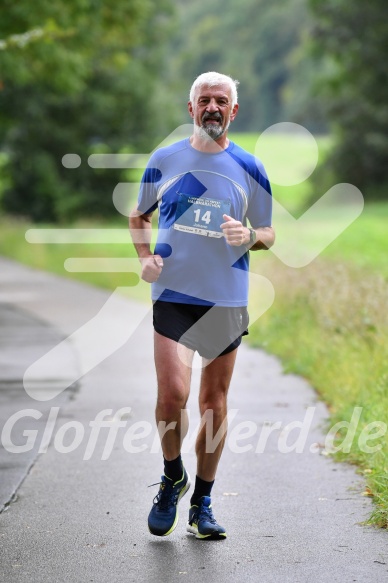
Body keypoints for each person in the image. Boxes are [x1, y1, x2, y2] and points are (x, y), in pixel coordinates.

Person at [129, 71, 275, 540]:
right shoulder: (165, 158)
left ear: (234, 111)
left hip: (226, 300)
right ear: (190, 108)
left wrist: (250, 236)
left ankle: (203, 503)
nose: (212, 107)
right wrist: (145, 258)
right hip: (173, 295)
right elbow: (138, 216)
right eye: (204, 100)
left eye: (221, 101)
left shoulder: (251, 167)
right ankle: (173, 475)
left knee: (213, 404)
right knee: (172, 396)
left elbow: (269, 233)